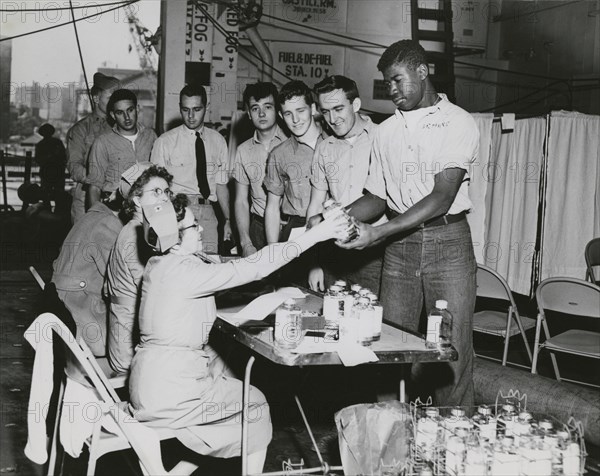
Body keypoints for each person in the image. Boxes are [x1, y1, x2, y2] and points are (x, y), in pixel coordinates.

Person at [128, 197, 348, 474]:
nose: (202, 230)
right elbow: (252, 267)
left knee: (235, 393)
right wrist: (316, 235)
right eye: (194, 226)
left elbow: (202, 288)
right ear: (176, 238)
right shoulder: (186, 270)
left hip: (148, 383)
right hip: (174, 393)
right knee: (255, 404)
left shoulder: (158, 265)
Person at [338, 40, 479, 407]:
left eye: (398, 80)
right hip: (400, 250)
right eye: (387, 84)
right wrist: (335, 219)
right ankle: (389, 436)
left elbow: (441, 196)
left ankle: (451, 443)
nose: (393, 91)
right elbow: (377, 197)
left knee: (452, 350)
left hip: (447, 242)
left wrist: (380, 232)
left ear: (422, 71)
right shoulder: (385, 131)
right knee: (389, 346)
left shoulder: (458, 121)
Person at [305, 75, 384, 294]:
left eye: (338, 109)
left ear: (356, 104)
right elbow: (315, 206)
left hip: (374, 254)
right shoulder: (325, 148)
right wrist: (314, 262)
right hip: (334, 254)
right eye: (326, 111)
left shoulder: (382, 137)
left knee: (370, 321)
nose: (332, 118)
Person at [105, 164, 173, 374]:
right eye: (156, 192)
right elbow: (155, 295)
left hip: (130, 337)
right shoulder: (136, 236)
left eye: (167, 192)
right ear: (136, 199)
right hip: (130, 352)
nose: (165, 198)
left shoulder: (143, 231)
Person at [50, 175, 126, 356]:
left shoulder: (91, 216)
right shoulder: (107, 224)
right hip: (81, 316)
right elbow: (121, 281)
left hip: (65, 307)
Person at [150, 84, 232, 254]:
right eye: (185, 109)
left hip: (209, 213)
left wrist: (228, 220)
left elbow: (221, 185)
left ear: (206, 107)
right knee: (177, 268)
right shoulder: (165, 142)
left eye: (197, 109)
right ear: (180, 108)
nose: (191, 116)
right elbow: (155, 189)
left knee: (209, 268)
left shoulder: (218, 141)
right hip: (177, 212)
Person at [264, 80, 327, 244]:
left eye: (300, 110)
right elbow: (272, 207)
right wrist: (272, 253)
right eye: (288, 114)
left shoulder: (334, 144)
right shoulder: (279, 154)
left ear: (312, 109)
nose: (295, 119)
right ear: (280, 115)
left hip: (330, 223)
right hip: (295, 229)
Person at [233, 82, 286, 257]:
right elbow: (241, 200)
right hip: (258, 228)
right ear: (248, 113)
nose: (261, 113)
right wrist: (245, 242)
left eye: (267, 107)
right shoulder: (243, 151)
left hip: (289, 227)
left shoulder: (292, 143)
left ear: (277, 110)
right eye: (255, 108)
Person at [87, 89, 157, 209]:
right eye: (120, 112)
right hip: (115, 207)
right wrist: (95, 217)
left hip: (148, 205)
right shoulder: (103, 142)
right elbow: (94, 187)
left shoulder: (151, 136)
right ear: (113, 115)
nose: (126, 117)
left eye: (130, 110)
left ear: (137, 109)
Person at [66, 72, 119, 223]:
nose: (116, 102)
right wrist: (97, 180)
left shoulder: (122, 127)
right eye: (111, 98)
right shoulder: (80, 130)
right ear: (96, 99)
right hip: (85, 199)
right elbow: (74, 166)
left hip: (117, 196)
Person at [34, 123, 66, 203]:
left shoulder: (40, 145)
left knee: (46, 193)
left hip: (47, 171)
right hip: (57, 171)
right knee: (58, 193)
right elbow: (64, 156)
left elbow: (38, 159)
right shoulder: (58, 143)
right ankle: (58, 211)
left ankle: (47, 211)